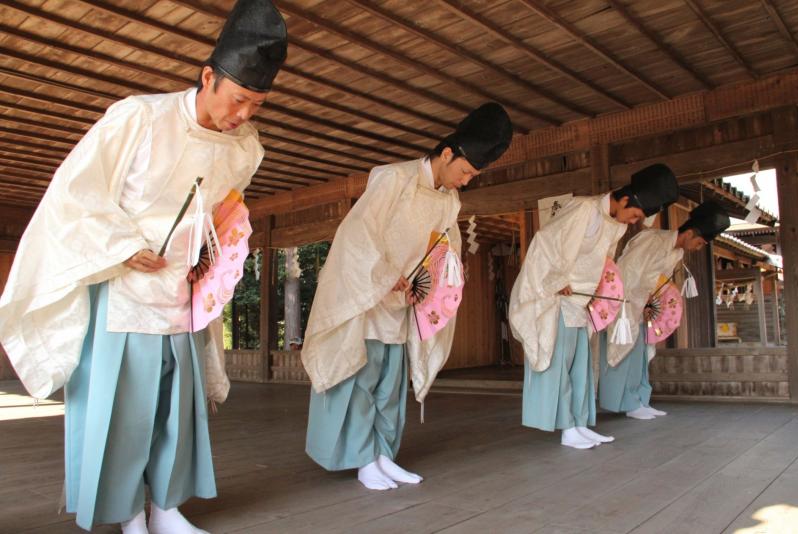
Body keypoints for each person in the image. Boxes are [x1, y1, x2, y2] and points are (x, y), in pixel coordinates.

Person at [0, 1, 287, 531]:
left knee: (176, 406)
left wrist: (212, 257)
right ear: (208, 77)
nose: (245, 115)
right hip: (126, 289)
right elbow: (73, 192)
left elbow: (225, 213)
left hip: (181, 293)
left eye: (258, 105)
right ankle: (130, 512)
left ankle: (168, 506)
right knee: (123, 412)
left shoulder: (245, 148)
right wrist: (119, 243)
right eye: (240, 99)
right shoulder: (138, 116)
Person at [302, 103, 512, 490]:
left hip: (404, 299)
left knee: (390, 383)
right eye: (465, 171)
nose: (465, 181)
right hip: (368, 294)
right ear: (447, 153)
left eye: (472, 176)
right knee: (363, 380)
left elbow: (444, 246)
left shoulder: (449, 200)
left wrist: (442, 277)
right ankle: (364, 459)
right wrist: (384, 275)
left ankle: (384, 455)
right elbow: (358, 234)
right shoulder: (393, 178)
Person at [509, 164, 679, 449]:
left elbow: (604, 265)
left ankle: (579, 422)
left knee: (581, 368)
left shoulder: (615, 224)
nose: (633, 220)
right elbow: (546, 243)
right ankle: (567, 427)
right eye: (635, 214)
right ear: (624, 200)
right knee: (561, 365)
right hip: (561, 300)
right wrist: (554, 280)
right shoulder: (584, 209)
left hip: (582, 302)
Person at [598, 201, 730, 419]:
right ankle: (628, 403)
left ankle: (640, 399)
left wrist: (653, 301)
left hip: (643, 306)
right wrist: (639, 299)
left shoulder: (676, 252)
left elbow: (660, 283)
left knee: (640, 354)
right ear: (688, 234)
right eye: (698, 243)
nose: (697, 248)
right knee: (626, 353)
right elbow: (628, 272)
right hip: (627, 304)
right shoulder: (653, 240)